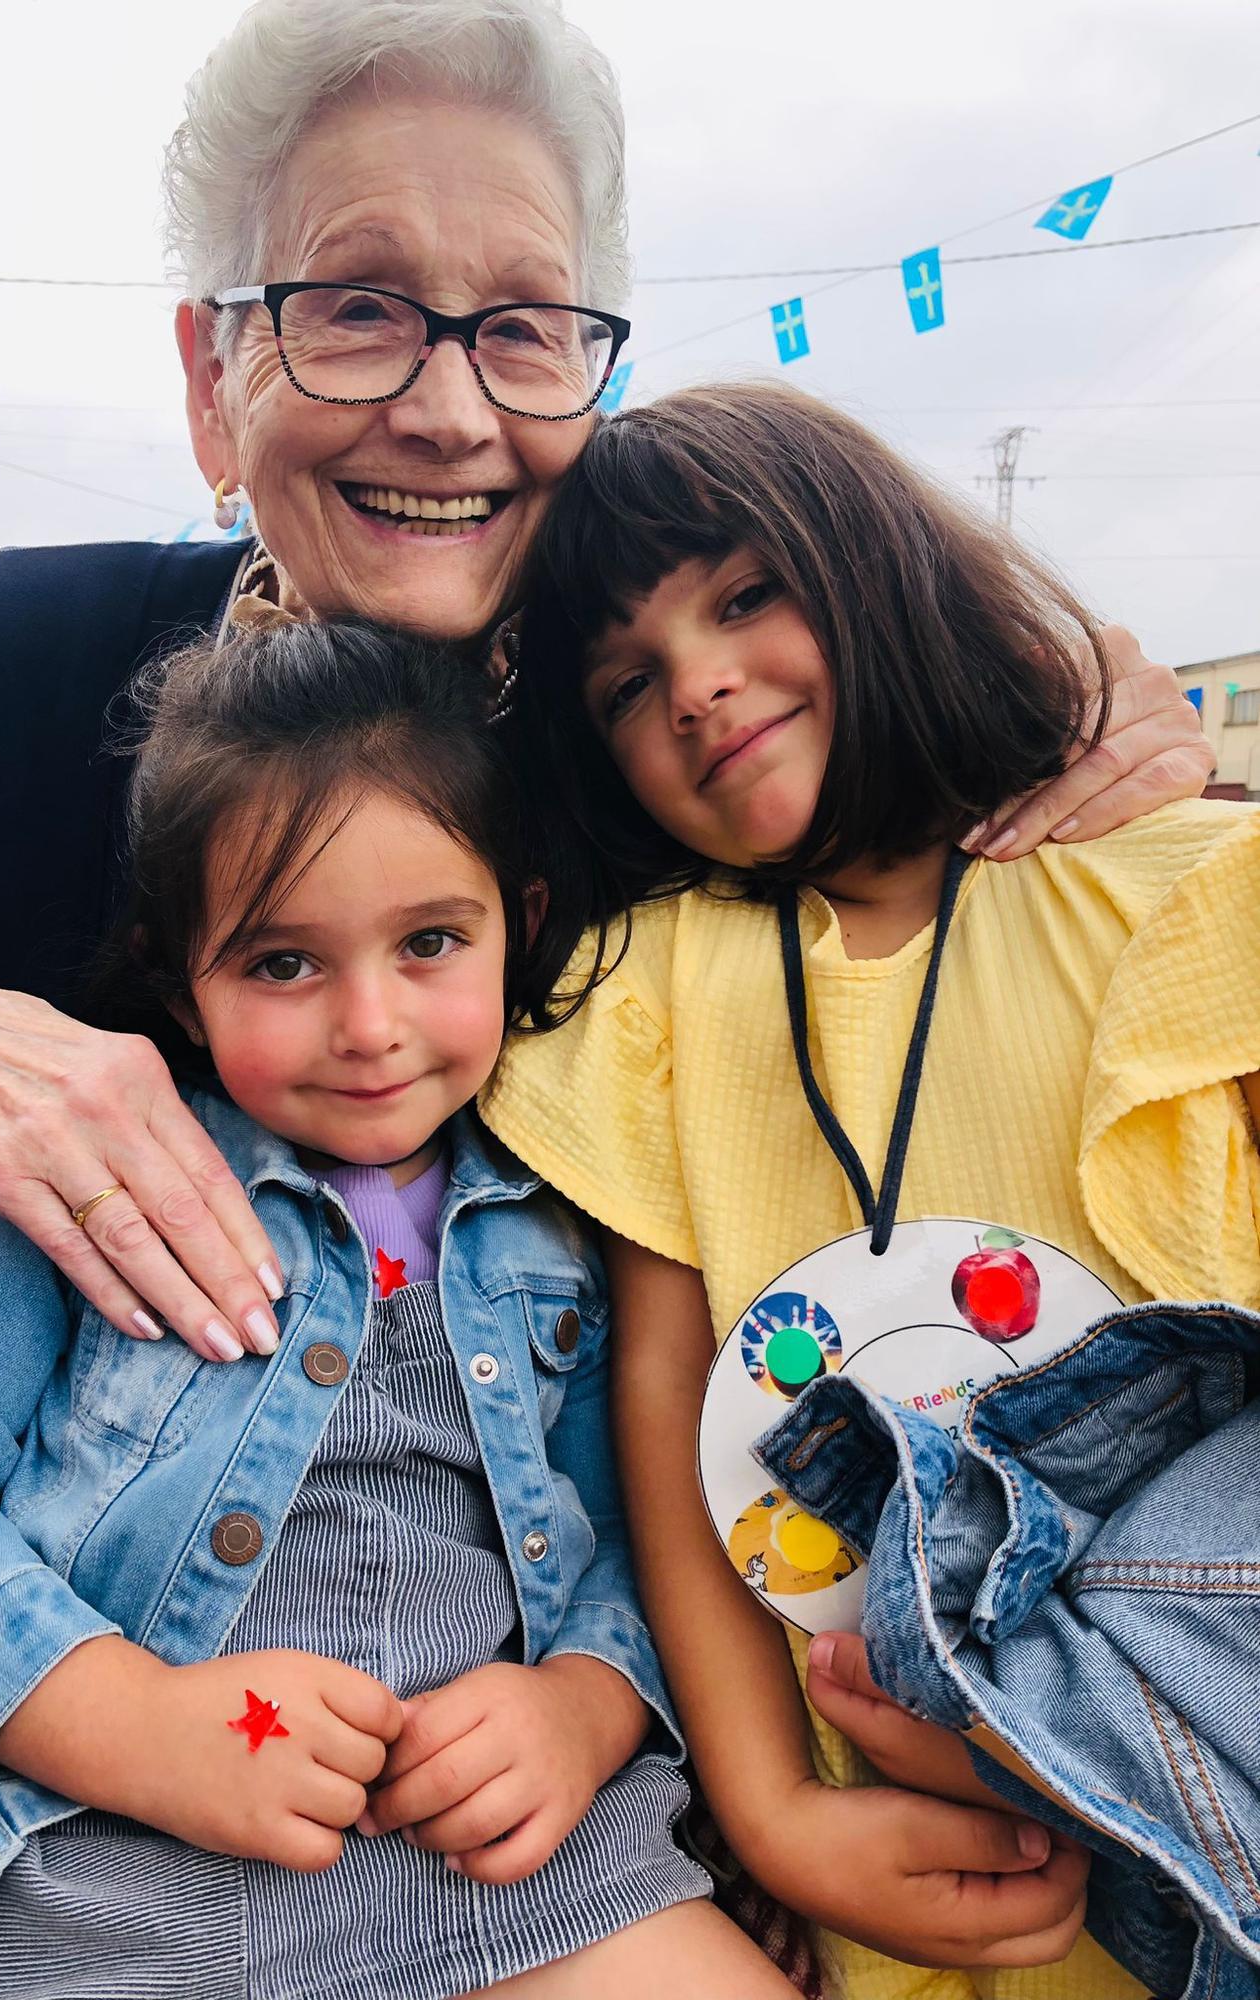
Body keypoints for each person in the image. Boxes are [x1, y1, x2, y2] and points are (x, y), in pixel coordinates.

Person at [0, 0, 1211, 1923]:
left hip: (531, 1800)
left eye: (525, 326)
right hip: (44, 1789)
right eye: (356, 305)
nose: (450, 407)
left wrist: (1050, 690)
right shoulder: (27, 677)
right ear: (215, 380)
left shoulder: (673, 773)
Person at [0, 619, 802, 2000]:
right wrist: (132, 1724)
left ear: (522, 923)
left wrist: (587, 1706)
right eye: (282, 964)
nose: (369, 1023)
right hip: (70, 1867)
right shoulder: (99, 1194)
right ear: (180, 982)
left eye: (431, 941)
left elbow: (629, 1532)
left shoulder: (573, 1215)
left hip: (485, 1874)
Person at [479, 380, 1260, 2000]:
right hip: (881, 1840)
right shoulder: (650, 990)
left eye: (747, 593)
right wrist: (768, 1813)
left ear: (876, 558)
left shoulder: (1183, 884)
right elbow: (668, 1384)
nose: (698, 683)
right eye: (629, 681)